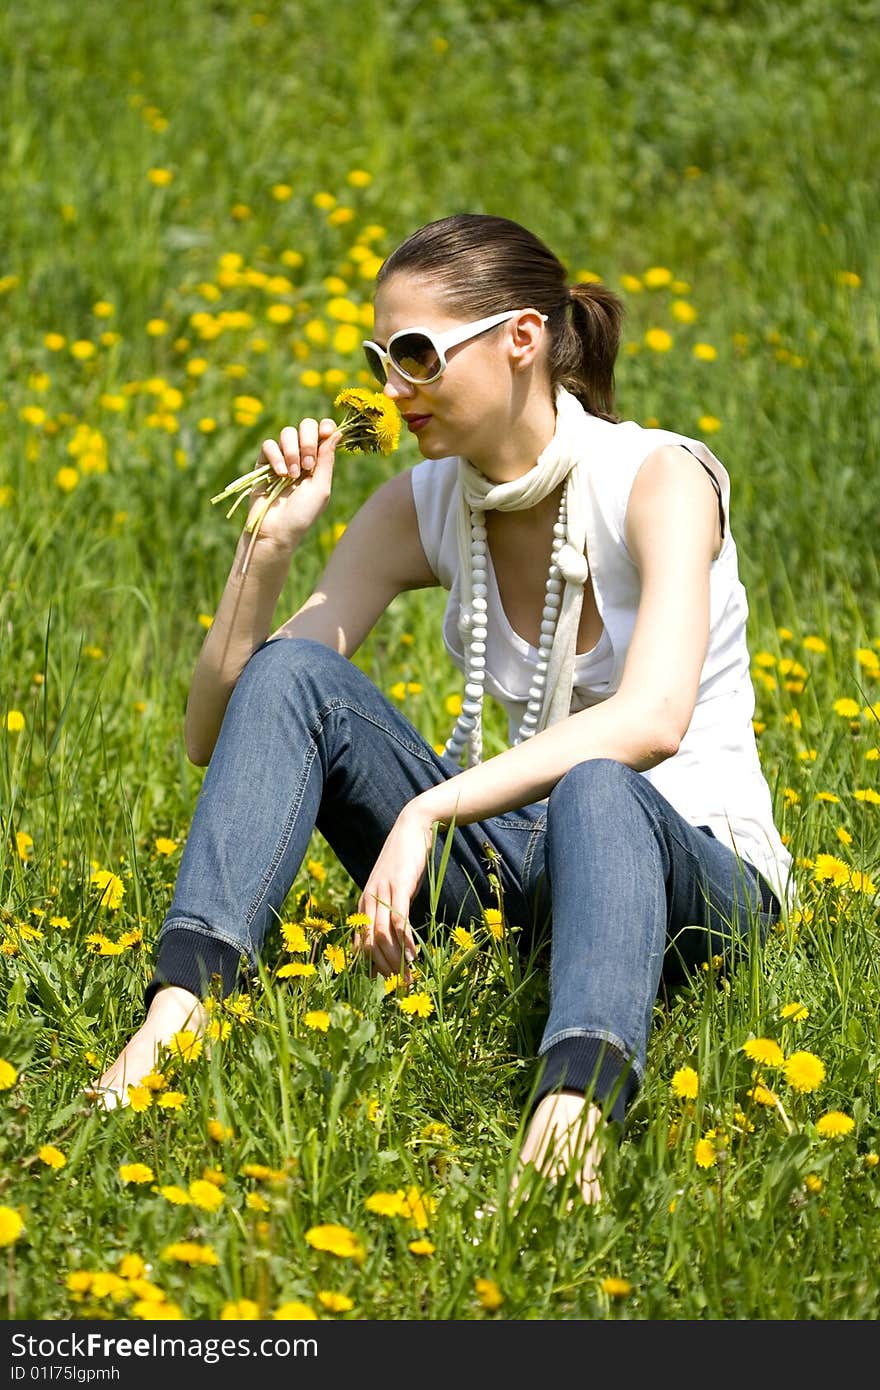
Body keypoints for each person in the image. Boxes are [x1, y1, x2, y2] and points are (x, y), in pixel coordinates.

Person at [90, 212, 791, 1204]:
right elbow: (220, 733)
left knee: (598, 780)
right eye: (381, 357)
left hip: (698, 875)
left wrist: (430, 808)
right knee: (293, 673)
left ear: (522, 338)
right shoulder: (422, 503)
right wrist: (270, 546)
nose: (390, 389)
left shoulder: (660, 478)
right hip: (529, 867)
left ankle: (570, 1122)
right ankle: (177, 1015)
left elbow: (652, 722)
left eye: (416, 355)